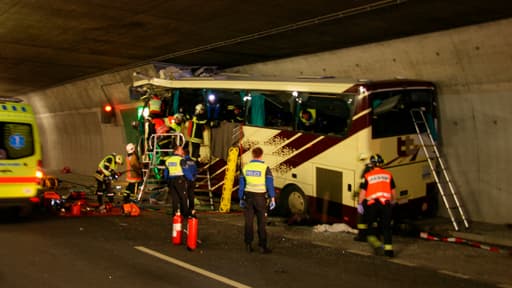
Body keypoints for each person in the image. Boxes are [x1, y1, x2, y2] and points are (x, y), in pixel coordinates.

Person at [238, 146, 276, 254]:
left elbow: (241, 185)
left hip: (248, 197)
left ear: (253, 155)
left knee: (249, 222)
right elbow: (269, 184)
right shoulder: (265, 168)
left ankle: (248, 245)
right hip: (260, 198)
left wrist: (241, 198)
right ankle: (262, 246)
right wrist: (272, 198)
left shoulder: (245, 168)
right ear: (261, 155)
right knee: (261, 223)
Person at [358, 154, 396, 257]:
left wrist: (360, 204)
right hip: (386, 205)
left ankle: (377, 245)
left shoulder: (368, 176)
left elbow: (362, 193)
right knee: (386, 228)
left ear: (372, 164)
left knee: (371, 226)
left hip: (372, 205)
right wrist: (392, 203)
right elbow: (393, 193)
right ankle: (389, 251)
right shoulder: (388, 175)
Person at [164, 146, 190, 217]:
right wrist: (190, 179)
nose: (182, 151)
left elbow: (166, 173)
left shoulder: (168, 160)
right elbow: (186, 171)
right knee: (183, 197)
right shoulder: (181, 160)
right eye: (181, 150)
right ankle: (185, 213)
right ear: (176, 151)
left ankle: (175, 213)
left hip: (171, 180)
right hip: (180, 179)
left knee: (175, 198)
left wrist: (167, 180)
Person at [354, 159, 374, 242]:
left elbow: (362, 192)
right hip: (372, 202)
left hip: (365, 202)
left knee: (361, 221)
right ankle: (370, 236)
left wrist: (360, 204)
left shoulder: (364, 179)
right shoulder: (373, 178)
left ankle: (362, 236)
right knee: (370, 221)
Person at [182, 145, 198, 216]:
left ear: (184, 154)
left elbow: (185, 171)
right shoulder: (193, 161)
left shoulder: (184, 161)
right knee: (191, 195)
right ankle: (192, 209)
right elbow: (195, 171)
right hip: (193, 180)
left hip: (186, 180)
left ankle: (185, 211)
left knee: (184, 196)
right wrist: (193, 178)